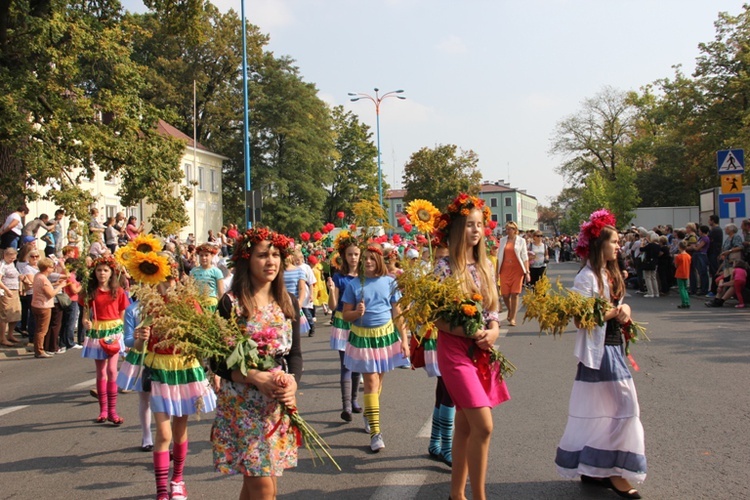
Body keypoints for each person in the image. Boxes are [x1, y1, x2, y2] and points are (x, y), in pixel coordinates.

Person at [555, 209, 646, 499]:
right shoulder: (586, 277)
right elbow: (580, 319)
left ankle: (597, 468)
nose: (618, 246)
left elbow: (620, 305)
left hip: (614, 347)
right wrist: (613, 312)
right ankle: (616, 472)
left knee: (607, 411)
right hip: (601, 351)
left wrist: (625, 310)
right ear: (599, 245)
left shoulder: (611, 272)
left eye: (619, 242)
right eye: (614, 241)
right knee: (624, 407)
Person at [211, 227, 302, 500]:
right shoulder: (231, 303)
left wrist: (293, 383)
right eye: (263, 255)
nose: (271, 261)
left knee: (256, 484)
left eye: (275, 254)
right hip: (242, 407)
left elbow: (294, 355)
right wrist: (254, 376)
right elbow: (216, 360)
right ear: (246, 259)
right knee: (264, 488)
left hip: (275, 406)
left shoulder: (289, 301)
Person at [432, 194, 508, 500]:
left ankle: (456, 494)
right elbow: (437, 318)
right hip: (454, 352)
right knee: (484, 426)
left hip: (481, 351)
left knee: (465, 426)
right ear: (456, 228)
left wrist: (493, 330)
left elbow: (493, 308)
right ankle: (479, 496)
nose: (475, 230)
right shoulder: (443, 267)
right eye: (469, 225)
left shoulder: (486, 265)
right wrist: (470, 329)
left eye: (479, 225)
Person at [118, 270, 217, 500]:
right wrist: (140, 338)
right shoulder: (146, 306)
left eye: (170, 278)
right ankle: (161, 488)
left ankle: (177, 480)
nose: (166, 284)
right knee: (163, 434)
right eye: (161, 279)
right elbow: (135, 344)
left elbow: (202, 338)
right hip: (159, 370)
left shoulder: (189, 303)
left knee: (180, 430)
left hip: (184, 369)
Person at [341, 243, 409, 452]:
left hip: (385, 336)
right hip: (363, 337)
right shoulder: (354, 284)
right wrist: (357, 313)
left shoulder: (389, 282)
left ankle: (369, 413)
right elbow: (346, 315)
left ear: (379, 260)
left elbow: (397, 314)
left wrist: (404, 340)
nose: (368, 262)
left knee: (379, 379)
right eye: (365, 259)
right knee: (370, 381)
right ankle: (375, 433)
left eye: (372, 258)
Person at [82, 256, 130, 424]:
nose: (102, 273)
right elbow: (86, 314)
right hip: (98, 329)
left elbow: (123, 312)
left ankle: (113, 411)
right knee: (101, 371)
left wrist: (123, 332)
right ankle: (103, 410)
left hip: (113, 331)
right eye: (99, 270)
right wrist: (86, 323)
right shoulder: (91, 292)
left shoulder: (118, 291)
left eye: (105, 270)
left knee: (111, 370)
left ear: (112, 273)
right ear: (94, 273)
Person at [326, 234, 363, 422]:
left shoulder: (365, 276)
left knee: (357, 364)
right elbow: (332, 306)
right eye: (350, 254)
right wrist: (332, 290)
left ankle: (355, 400)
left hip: (359, 322)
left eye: (356, 254)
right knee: (346, 364)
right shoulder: (339, 277)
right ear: (344, 256)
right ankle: (346, 405)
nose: (353, 258)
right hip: (342, 321)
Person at [30, 257, 67, 358]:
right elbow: (50, 294)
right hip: (43, 306)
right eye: (51, 267)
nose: (53, 269)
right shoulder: (43, 279)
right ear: (47, 268)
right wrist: (60, 286)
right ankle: (39, 350)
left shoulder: (38, 275)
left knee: (38, 328)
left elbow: (45, 287)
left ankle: (38, 348)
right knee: (42, 330)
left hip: (36, 304)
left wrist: (55, 284)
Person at [497, 221, 529, 326]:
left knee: (515, 293)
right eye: (506, 229)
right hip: (504, 269)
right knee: (505, 294)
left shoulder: (521, 241)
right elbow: (498, 257)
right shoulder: (502, 240)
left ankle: (513, 317)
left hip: (517, 269)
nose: (508, 231)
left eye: (510, 229)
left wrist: (527, 272)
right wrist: (497, 272)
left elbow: (525, 257)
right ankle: (510, 310)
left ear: (515, 230)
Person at [189, 243, 224, 312]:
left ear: (212, 256)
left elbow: (221, 293)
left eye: (206, 255)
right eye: (201, 255)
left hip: (211, 303)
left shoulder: (216, 272)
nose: (203, 258)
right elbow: (190, 288)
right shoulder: (194, 271)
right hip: (197, 303)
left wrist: (221, 307)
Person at [0, 248, 23, 346]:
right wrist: (7, 290)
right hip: (7, 292)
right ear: (5, 255)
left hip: (15, 291)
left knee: (15, 314)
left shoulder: (12, 264)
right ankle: (2, 337)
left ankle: (10, 334)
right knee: (5, 315)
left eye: (14, 258)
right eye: (11, 258)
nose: (12, 260)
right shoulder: (2, 265)